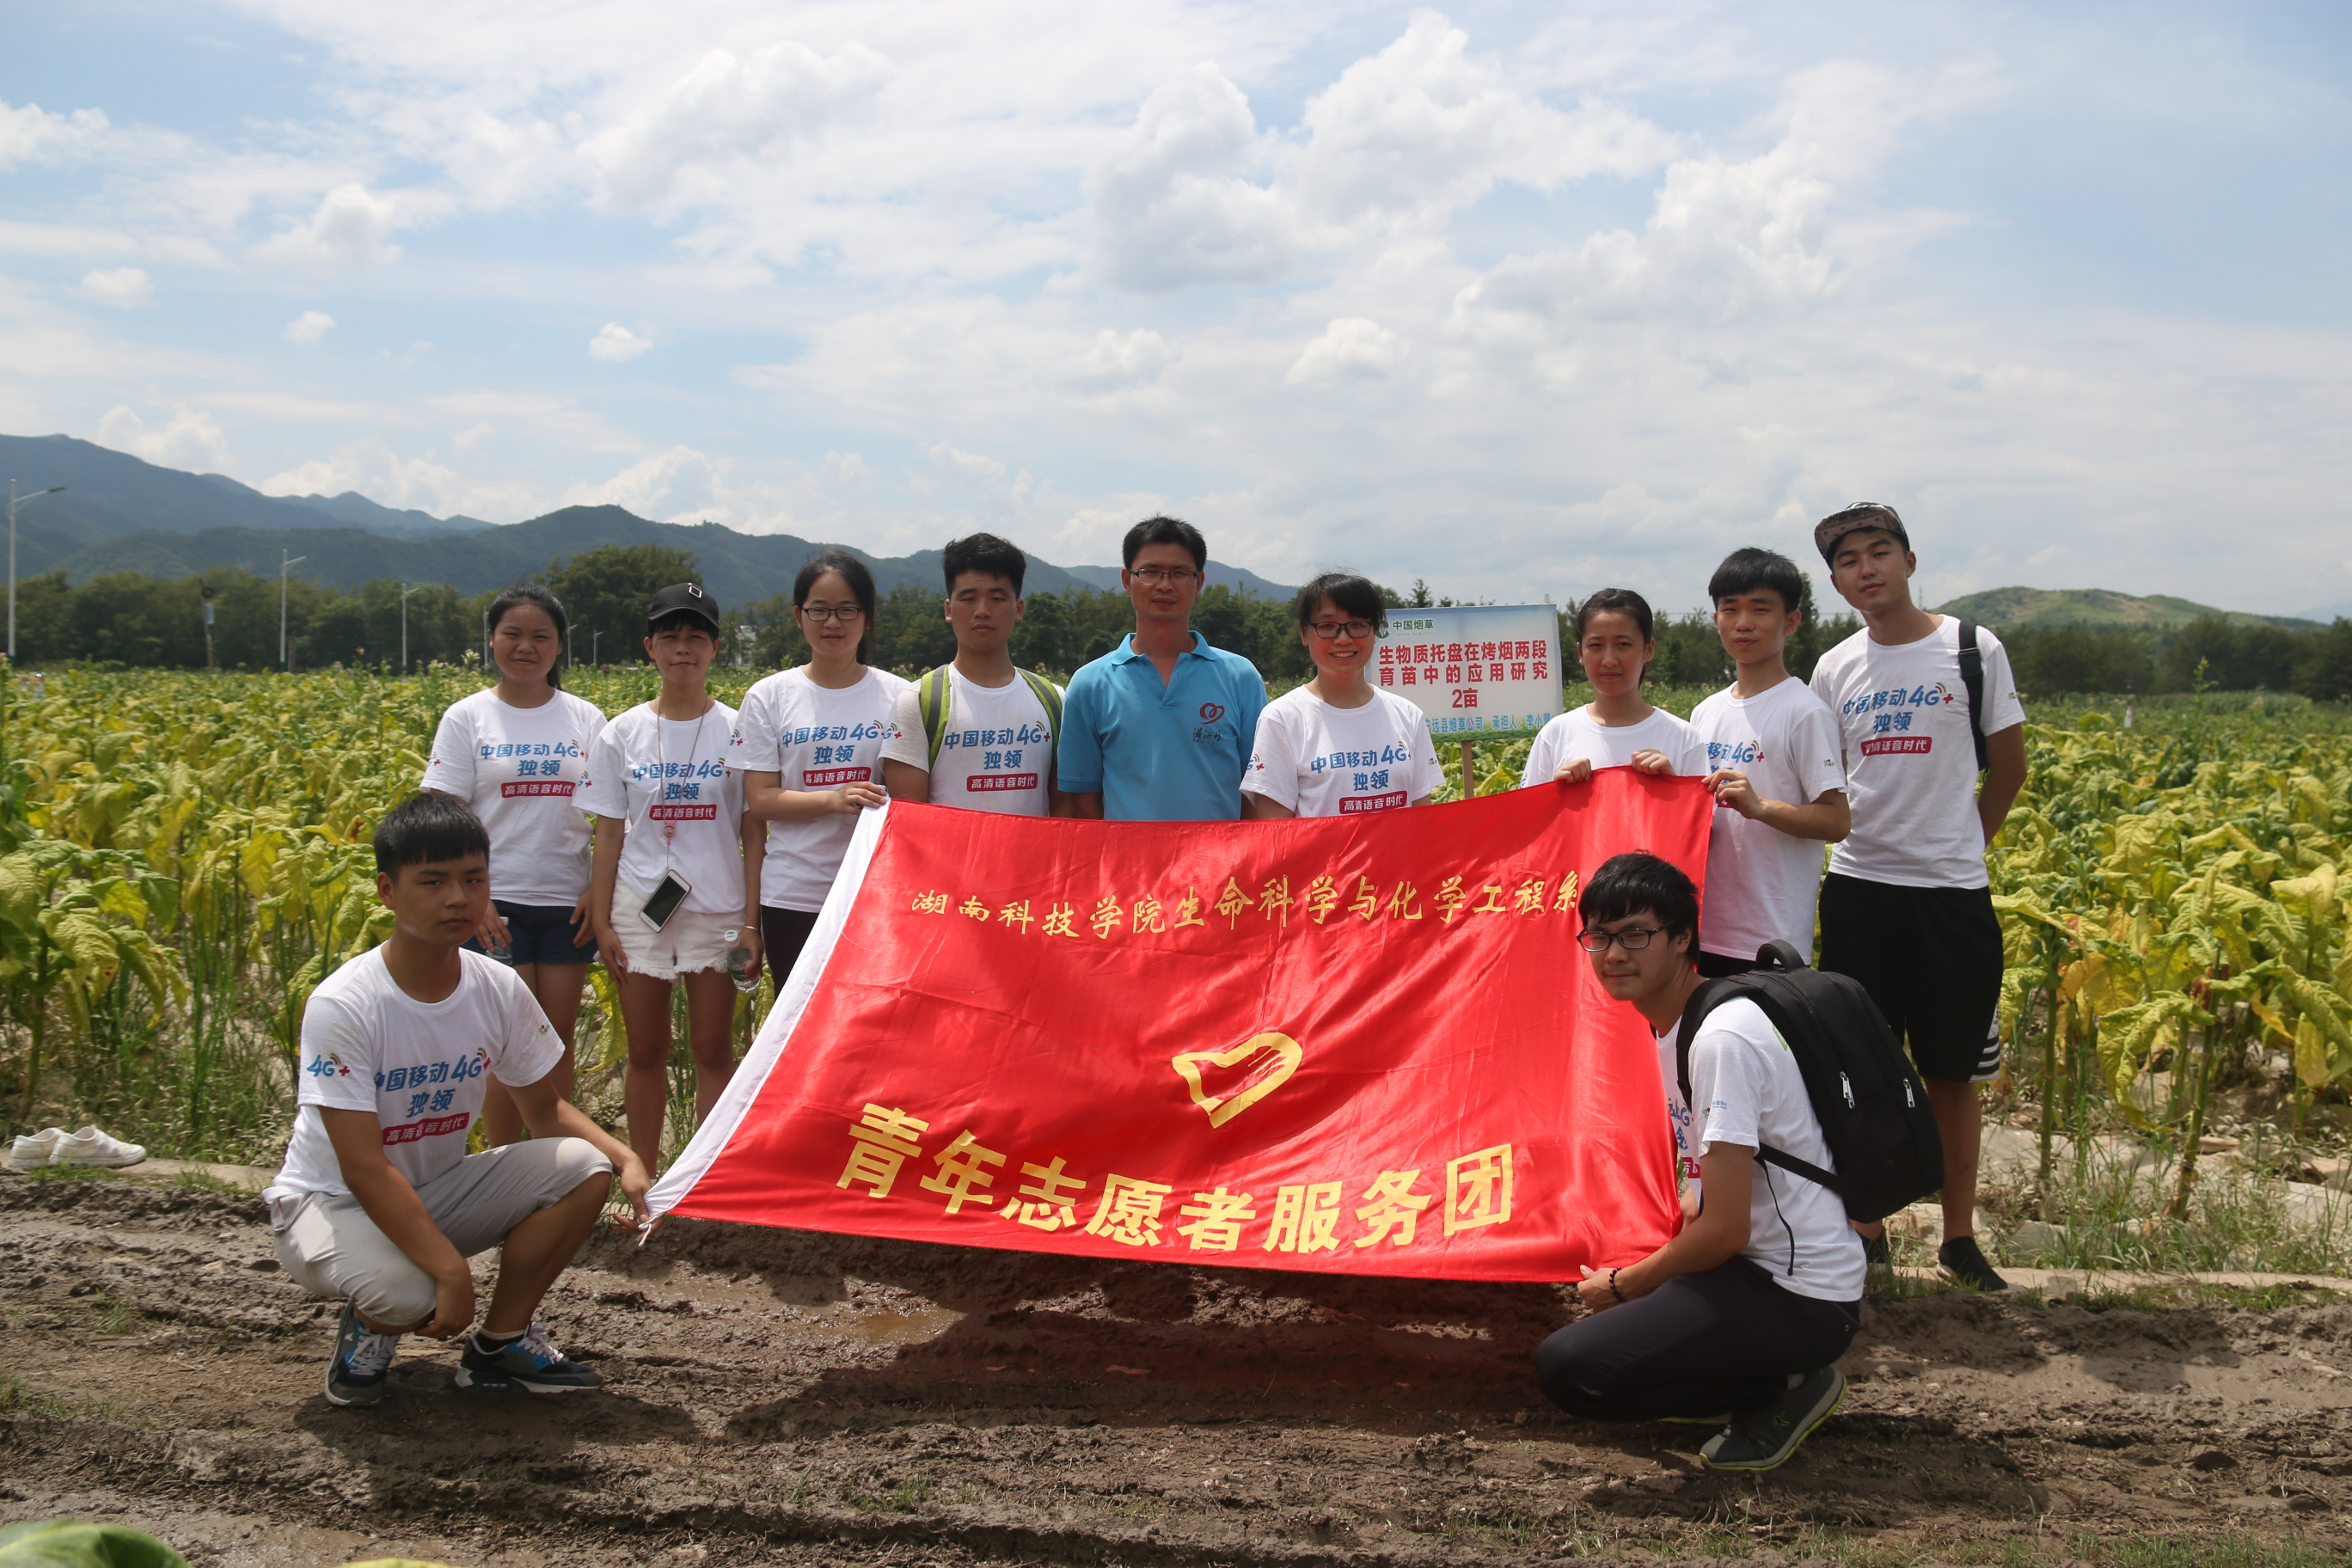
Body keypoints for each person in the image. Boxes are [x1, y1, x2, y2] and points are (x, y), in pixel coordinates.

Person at [265, 792, 649, 1408]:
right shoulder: (345, 1004)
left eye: (473, 880)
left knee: (583, 1167)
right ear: (387, 892)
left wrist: (624, 1157)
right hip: (330, 1204)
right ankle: (372, 1325)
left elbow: (544, 1110)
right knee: (409, 1295)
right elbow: (362, 1168)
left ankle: (500, 1345)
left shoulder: (497, 987)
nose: (457, 899)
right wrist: (450, 1270)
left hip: (428, 1191)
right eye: (433, 881)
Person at [1533, 852, 1862, 1473]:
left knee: (1571, 1369)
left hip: (1798, 1294)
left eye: (1636, 935)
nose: (1614, 954)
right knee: (1607, 1347)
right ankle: (1748, 1376)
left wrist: (1623, 1285)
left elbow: (1725, 1231)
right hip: (1753, 1271)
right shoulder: (1679, 1022)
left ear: (1683, 938)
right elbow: (1711, 1192)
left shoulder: (1720, 1039)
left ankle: (1780, 1391)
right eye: (1599, 937)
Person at [1807, 503, 2027, 1294]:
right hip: (1859, 889)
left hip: (1950, 899)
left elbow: (2009, 768)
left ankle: (1958, 1236)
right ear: (1837, 583)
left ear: (1908, 560)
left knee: (1951, 1073)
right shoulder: (1834, 668)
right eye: (1849, 561)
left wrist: (1963, 846)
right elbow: (1825, 779)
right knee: (1865, 1072)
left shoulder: (1971, 648)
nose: (1866, 569)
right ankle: (1868, 1231)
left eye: (1879, 552)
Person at [421, 583, 608, 1146]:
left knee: (555, 1039)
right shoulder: (467, 717)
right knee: (503, 1044)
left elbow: (611, 812)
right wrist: (472, 898)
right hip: (495, 905)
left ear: (559, 646)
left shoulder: (586, 718)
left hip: (567, 901)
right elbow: (445, 817)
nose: (526, 647)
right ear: (492, 640)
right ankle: (504, 1167)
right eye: (513, 634)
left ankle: (554, 1167)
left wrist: (597, 890)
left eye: (540, 636)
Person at [578, 583, 750, 1176]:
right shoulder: (620, 733)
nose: (684, 649)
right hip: (638, 910)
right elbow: (607, 833)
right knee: (646, 1052)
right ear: (649, 647)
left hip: (718, 910)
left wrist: (751, 920)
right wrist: (603, 920)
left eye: (696, 637)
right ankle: (643, 1181)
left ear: (715, 648)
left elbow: (753, 831)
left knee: (713, 1050)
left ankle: (702, 1185)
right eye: (670, 637)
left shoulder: (738, 730)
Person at [727, 552, 910, 986]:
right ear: (798, 616)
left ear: (868, 617)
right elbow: (761, 799)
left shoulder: (901, 696)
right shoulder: (769, 696)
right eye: (819, 610)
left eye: (847, 610)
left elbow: (909, 798)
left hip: (872, 888)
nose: (832, 622)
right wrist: (833, 799)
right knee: (799, 1018)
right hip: (793, 893)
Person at [1689, 550, 1850, 976]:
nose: (1743, 623)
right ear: (1716, 619)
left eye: (1760, 609)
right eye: (1730, 609)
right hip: (1700, 927)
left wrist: (1760, 807)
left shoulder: (1805, 712)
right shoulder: (1704, 713)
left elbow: (1836, 820)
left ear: (1791, 621)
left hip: (1770, 938)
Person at [1057, 515, 1268, 821]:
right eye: (1150, 572)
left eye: (1180, 573)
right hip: (1128, 853)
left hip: (1220, 853)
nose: (1165, 585)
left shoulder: (1241, 677)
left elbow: (1257, 788)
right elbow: (1082, 799)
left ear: (1199, 582)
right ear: (1127, 581)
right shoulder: (1090, 684)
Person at [879, 533, 1069, 817]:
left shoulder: (1055, 700)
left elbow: (1064, 812)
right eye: (968, 599)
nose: (982, 611)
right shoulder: (918, 702)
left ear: (1018, 609)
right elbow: (909, 821)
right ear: (948, 610)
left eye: (997, 598)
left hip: (1031, 849)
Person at [1243, 572, 1442, 819]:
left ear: (1375, 631)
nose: (1344, 639)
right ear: (1304, 633)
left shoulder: (1408, 714)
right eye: (1327, 627)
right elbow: (1275, 830)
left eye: (1357, 625)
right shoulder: (1282, 719)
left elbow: (1422, 819)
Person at [1519, 588, 1705, 788]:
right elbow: (1529, 808)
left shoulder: (1683, 738)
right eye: (1596, 645)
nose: (1609, 660)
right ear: (1581, 653)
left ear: (1648, 649)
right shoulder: (1556, 734)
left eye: (1623, 644)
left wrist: (1674, 787)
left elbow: (1702, 809)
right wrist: (1556, 792)